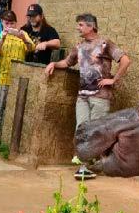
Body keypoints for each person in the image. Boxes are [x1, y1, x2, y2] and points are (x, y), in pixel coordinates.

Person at [44, 13, 131, 180]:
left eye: (81, 25)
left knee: (96, 131)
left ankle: (89, 166)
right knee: (82, 129)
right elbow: (68, 62)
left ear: (91, 27)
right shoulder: (79, 46)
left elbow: (125, 60)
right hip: (82, 95)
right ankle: (86, 165)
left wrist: (113, 80)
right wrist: (53, 64)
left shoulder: (105, 43)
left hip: (100, 95)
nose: (78, 28)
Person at [0, 10, 34, 131]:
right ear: (2, 22)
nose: (9, 26)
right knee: (0, 104)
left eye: (12, 23)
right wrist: (2, 39)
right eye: (7, 23)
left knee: (14, 106)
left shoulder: (22, 34)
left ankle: (8, 132)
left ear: (16, 23)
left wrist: (23, 38)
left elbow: (31, 49)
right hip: (3, 75)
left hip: (19, 77)